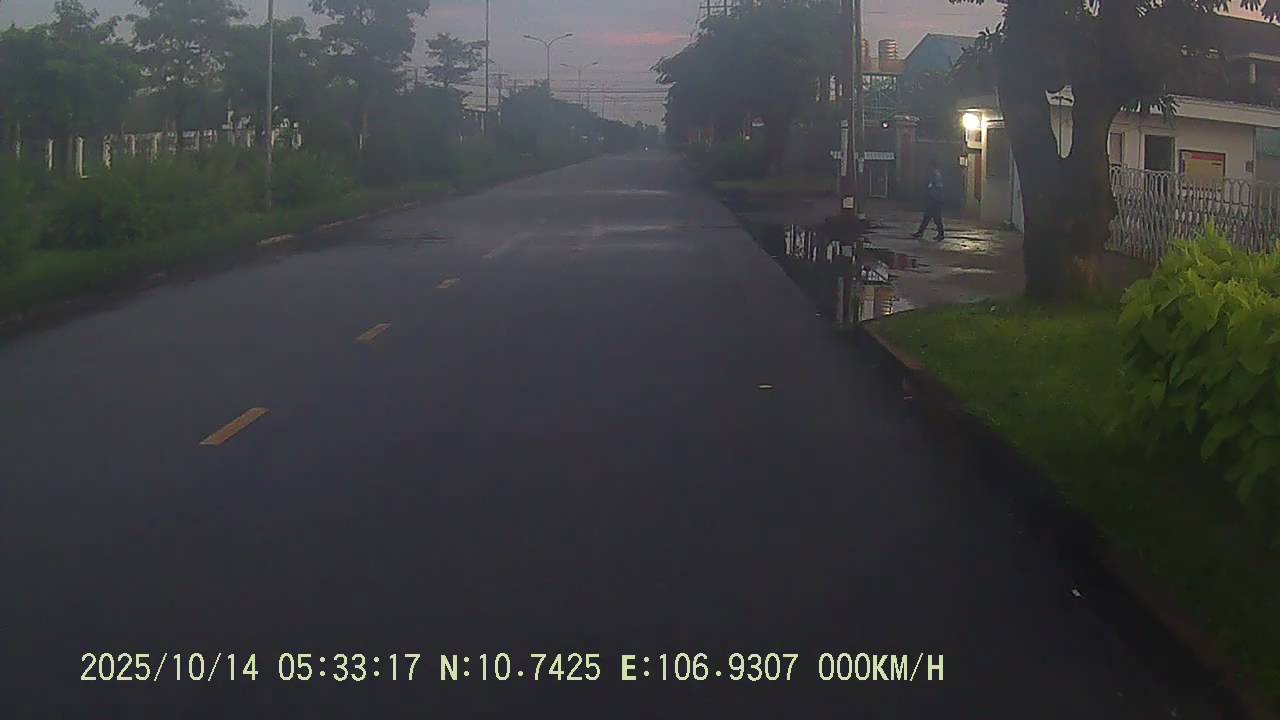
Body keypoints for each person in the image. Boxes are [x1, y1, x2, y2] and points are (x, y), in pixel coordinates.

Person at [912, 160, 945, 241]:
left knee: (936, 218)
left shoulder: (936, 175)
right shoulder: (934, 175)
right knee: (928, 217)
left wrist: (932, 196)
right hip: (933, 199)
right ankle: (921, 232)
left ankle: (940, 234)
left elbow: (937, 187)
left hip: (934, 200)